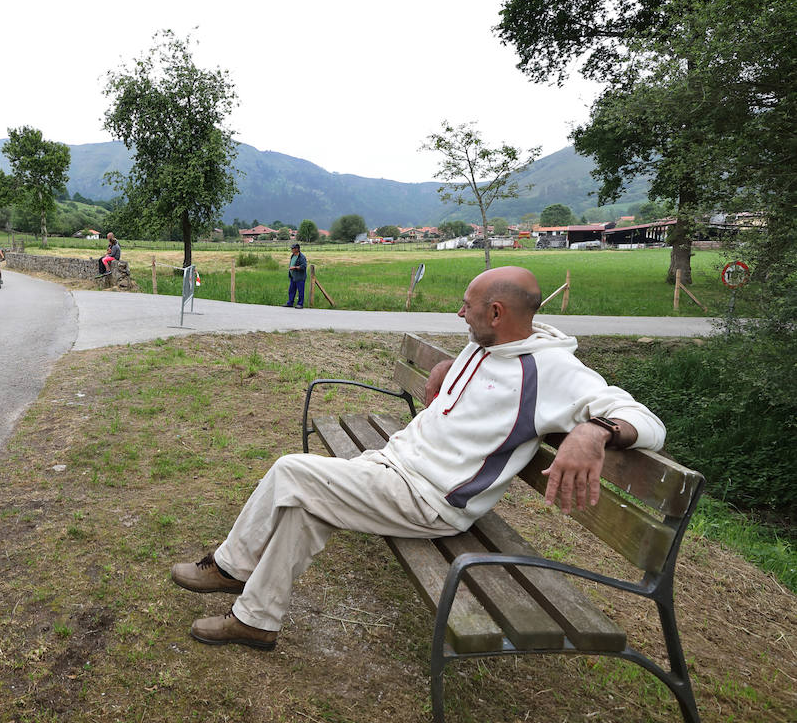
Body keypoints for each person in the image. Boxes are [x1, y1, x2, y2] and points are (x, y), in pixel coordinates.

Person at [170, 266, 666, 650]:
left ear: (497, 313)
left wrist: (594, 431)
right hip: (394, 468)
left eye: (466, 306)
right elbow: (489, 387)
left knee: (290, 470)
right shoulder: (489, 346)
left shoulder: (555, 371)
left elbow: (648, 423)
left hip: (431, 501)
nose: (459, 313)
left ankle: (230, 567)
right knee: (303, 504)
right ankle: (255, 622)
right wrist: (452, 369)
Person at [286, 242, 307, 308]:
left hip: (300, 277)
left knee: (300, 291)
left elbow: (303, 267)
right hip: (293, 277)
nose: (292, 249)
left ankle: (300, 304)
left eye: (293, 248)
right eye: (292, 248)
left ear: (297, 249)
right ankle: (290, 303)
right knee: (291, 290)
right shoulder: (293, 255)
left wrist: (294, 267)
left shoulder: (302, 257)